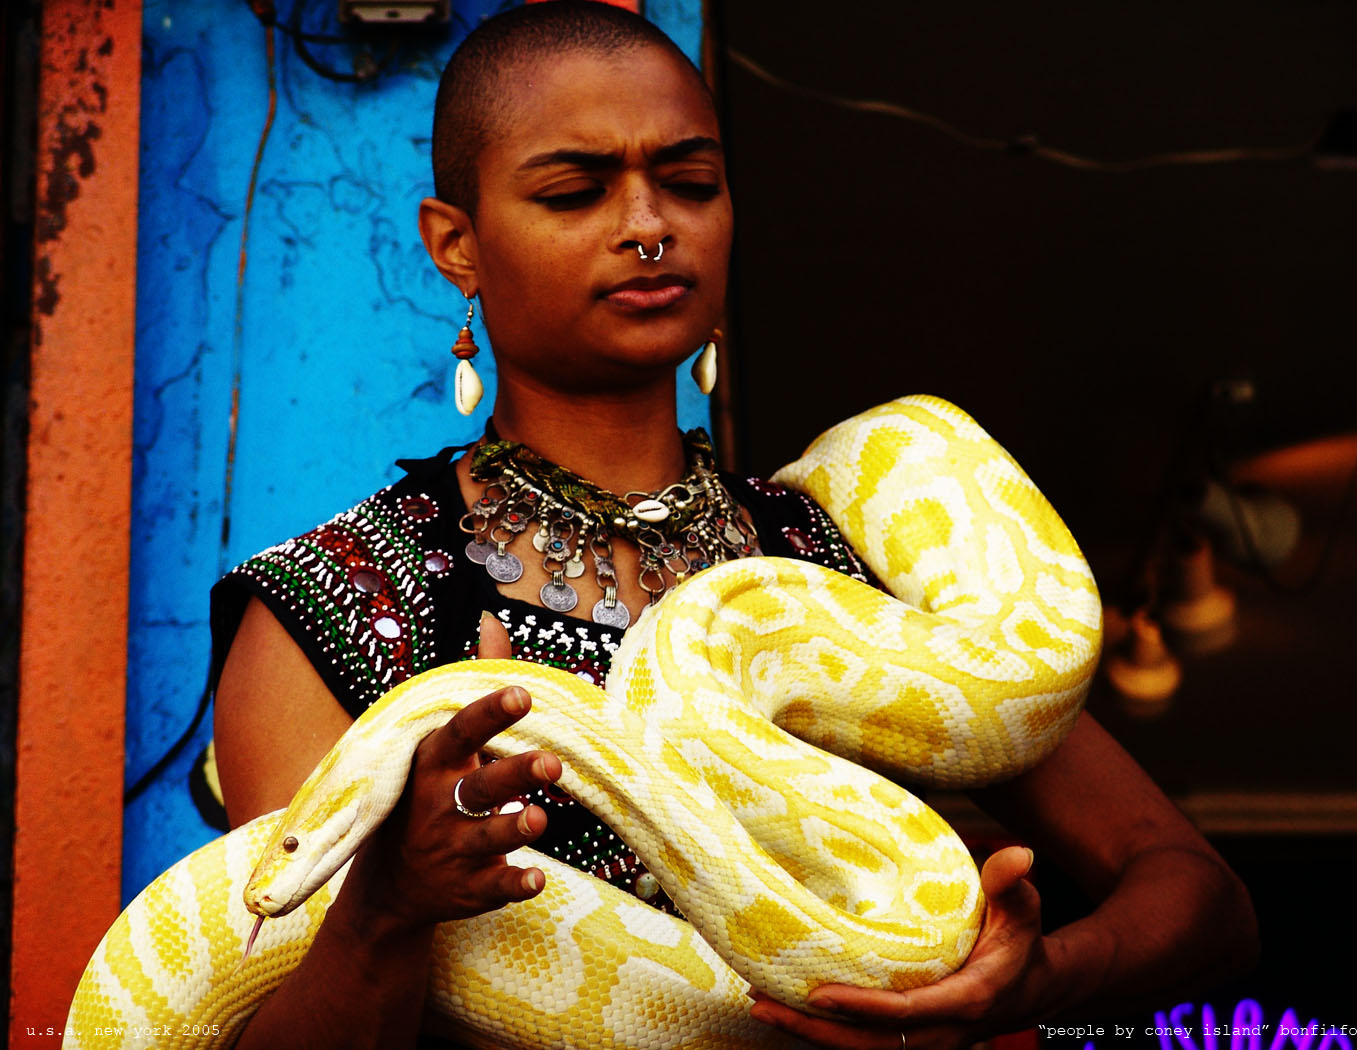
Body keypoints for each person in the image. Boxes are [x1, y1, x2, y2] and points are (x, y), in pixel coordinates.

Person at [210, 4, 1259, 1048]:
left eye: (691, 184)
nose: (647, 224)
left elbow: (1197, 897)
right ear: (456, 245)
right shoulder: (340, 602)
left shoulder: (835, 555)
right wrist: (385, 909)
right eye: (575, 191)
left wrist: (1039, 981)